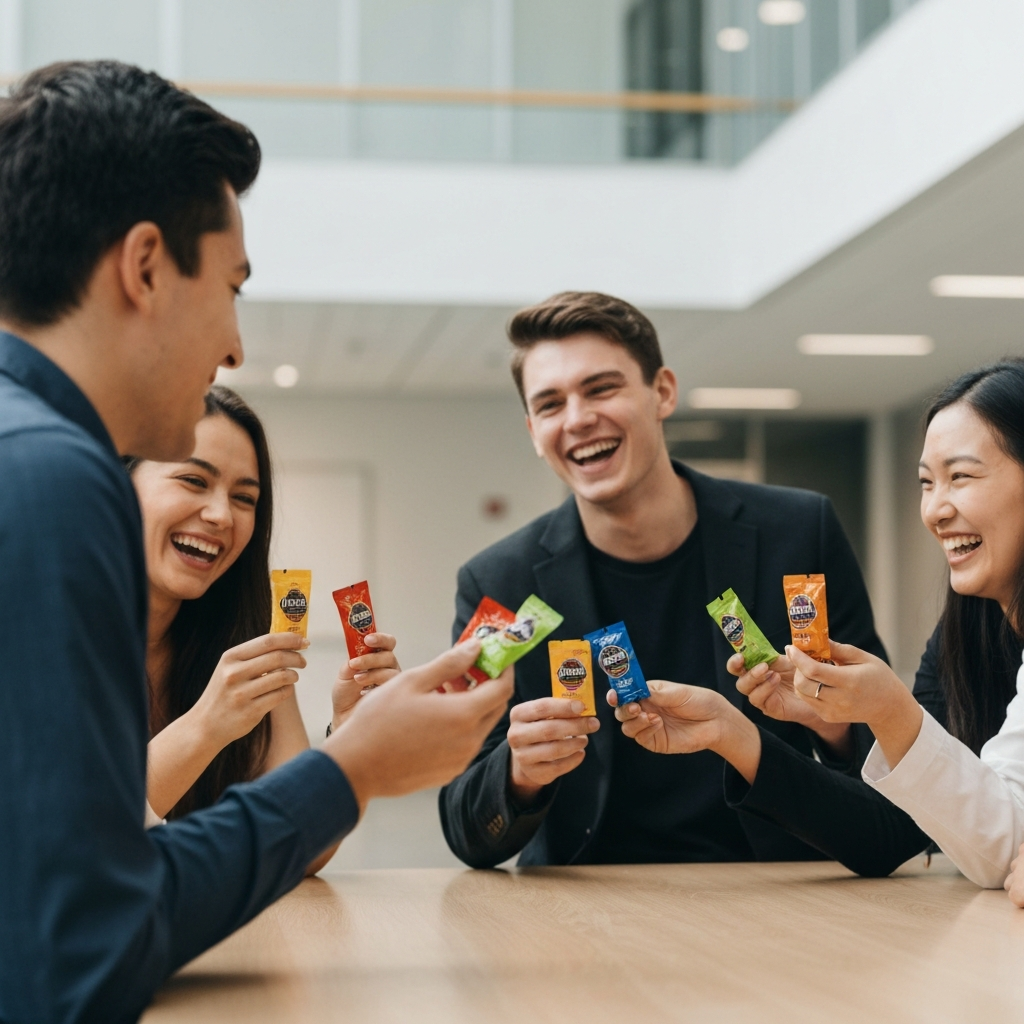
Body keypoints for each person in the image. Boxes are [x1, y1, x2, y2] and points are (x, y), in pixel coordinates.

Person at [0, 60, 512, 1024]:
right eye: (231, 286)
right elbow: (82, 951)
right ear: (145, 265)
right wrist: (355, 769)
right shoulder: (51, 474)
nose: (235, 344)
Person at [439, 290, 887, 869]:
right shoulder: (503, 583)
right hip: (584, 914)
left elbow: (884, 749)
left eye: (601, 388)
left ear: (663, 393)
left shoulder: (797, 533)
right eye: (550, 404)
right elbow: (464, 826)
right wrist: (519, 773)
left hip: (775, 890)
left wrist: (832, 723)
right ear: (533, 430)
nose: (577, 419)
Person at [612, 359, 1024, 887]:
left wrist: (891, 711)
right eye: (926, 482)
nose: (935, 510)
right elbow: (893, 834)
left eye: (961, 476)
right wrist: (741, 732)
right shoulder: (964, 634)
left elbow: (1000, 844)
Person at [130, 386, 399, 878]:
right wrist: (206, 727)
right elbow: (73, 840)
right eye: (193, 480)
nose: (221, 515)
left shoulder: (244, 646)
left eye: (244, 498)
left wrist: (349, 735)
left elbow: (304, 851)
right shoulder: (42, 635)